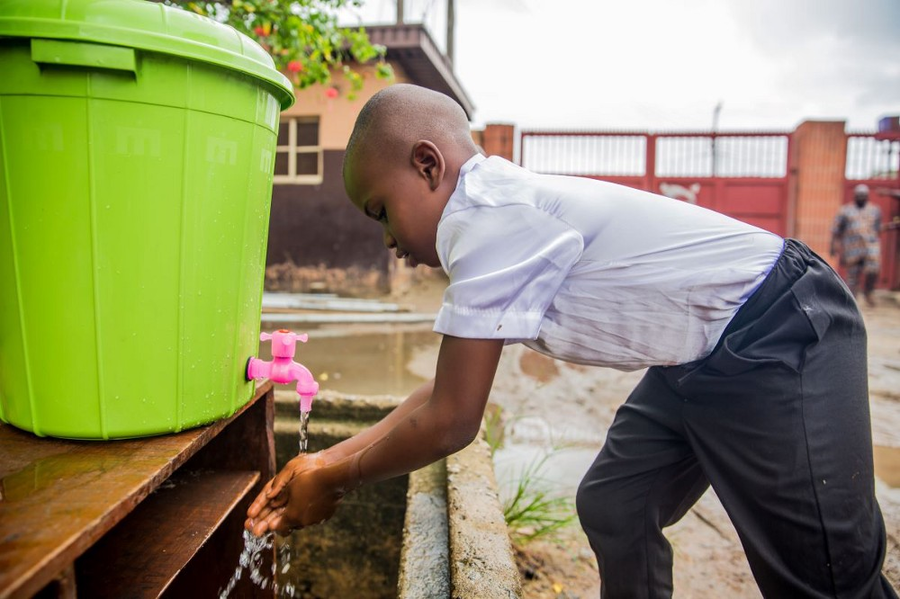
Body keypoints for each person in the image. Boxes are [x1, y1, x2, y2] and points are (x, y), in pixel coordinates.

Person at [246, 84, 896, 598]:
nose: (386, 240)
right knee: (618, 502)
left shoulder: (486, 219)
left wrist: (338, 477)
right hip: (697, 352)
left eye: (381, 211)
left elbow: (451, 423)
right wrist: (321, 462)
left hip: (779, 325)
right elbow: (440, 394)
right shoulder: (488, 218)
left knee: (827, 577)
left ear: (427, 164)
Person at [831, 183, 882, 307]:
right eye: (858, 195)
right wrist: (834, 246)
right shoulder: (845, 211)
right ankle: (852, 299)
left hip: (870, 247)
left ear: (867, 196)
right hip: (852, 248)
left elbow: (877, 228)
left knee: (873, 269)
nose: (861, 197)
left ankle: (868, 291)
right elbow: (836, 230)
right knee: (852, 275)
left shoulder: (875, 210)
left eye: (863, 195)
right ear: (854, 196)